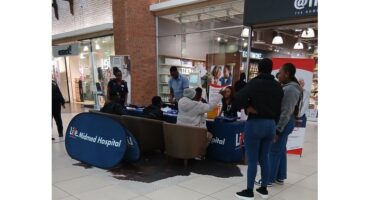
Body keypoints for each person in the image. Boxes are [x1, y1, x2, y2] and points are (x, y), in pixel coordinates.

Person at [233, 58, 284, 200]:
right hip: (271, 125)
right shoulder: (278, 86)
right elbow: (280, 109)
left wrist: (246, 106)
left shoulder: (254, 83)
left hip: (255, 124)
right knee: (264, 158)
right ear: (271, 69)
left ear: (259, 69)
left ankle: (249, 191)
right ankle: (263, 189)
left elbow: (238, 97)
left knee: (253, 159)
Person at [258, 63, 302, 187]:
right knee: (281, 150)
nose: (279, 75)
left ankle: (268, 180)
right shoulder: (289, 87)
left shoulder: (291, 89)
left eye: (281, 72)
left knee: (273, 151)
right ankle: (280, 177)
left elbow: (286, 112)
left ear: (287, 74)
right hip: (286, 123)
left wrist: (277, 130)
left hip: (284, 123)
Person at [177, 88, 223, 158]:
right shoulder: (197, 105)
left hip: (181, 133)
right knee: (209, 135)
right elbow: (210, 107)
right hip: (193, 134)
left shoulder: (180, 101)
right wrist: (220, 95)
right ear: (193, 96)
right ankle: (199, 154)